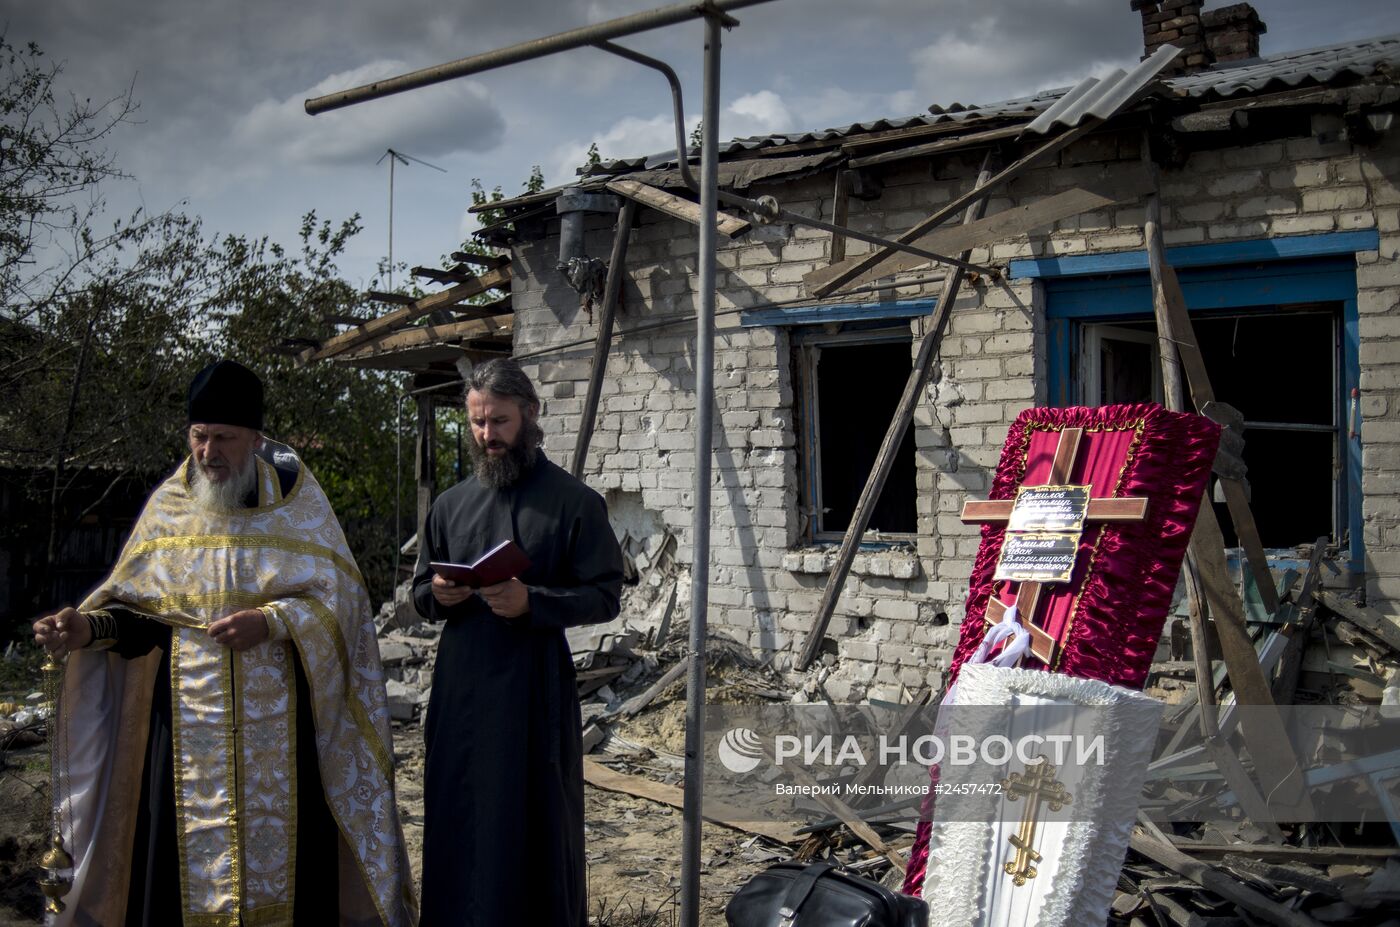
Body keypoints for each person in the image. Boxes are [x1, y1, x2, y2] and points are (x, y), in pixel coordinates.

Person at [33, 359, 416, 927]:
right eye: (199, 436)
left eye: (224, 438)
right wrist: (86, 628)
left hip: (284, 732)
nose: (209, 451)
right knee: (172, 870)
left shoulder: (299, 505)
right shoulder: (169, 509)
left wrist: (273, 621)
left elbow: (343, 605)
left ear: (256, 439)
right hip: (185, 730)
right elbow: (142, 612)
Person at [413, 358, 623, 927]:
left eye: (500, 422)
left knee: (532, 825)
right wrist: (439, 594)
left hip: (533, 693)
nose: (488, 436)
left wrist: (535, 603)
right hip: (460, 693)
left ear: (530, 414)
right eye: (478, 424)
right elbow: (417, 593)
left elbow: (606, 596)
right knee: (460, 821)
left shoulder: (575, 503)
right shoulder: (449, 505)